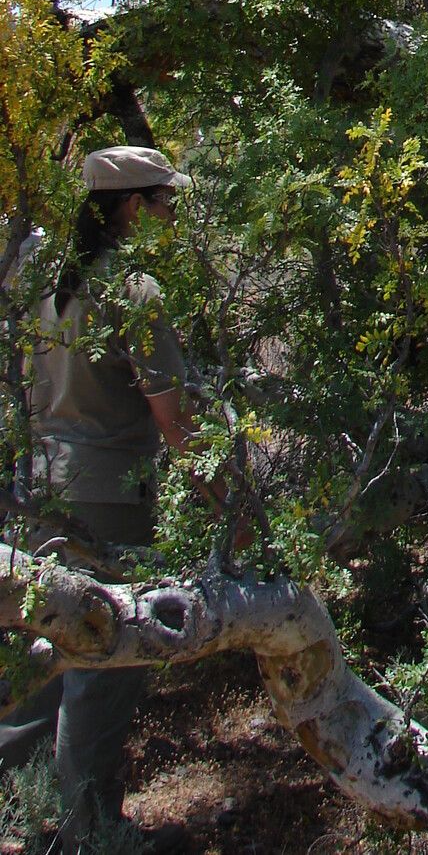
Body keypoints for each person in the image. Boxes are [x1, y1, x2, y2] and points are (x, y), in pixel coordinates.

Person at [0, 144, 201, 853]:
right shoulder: (134, 291)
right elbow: (172, 421)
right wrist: (215, 495)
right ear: (128, 206)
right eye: (162, 201)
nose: (170, 215)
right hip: (111, 494)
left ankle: (20, 815)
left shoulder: (37, 274)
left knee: (38, 651)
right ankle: (91, 828)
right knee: (105, 651)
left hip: (39, 487)